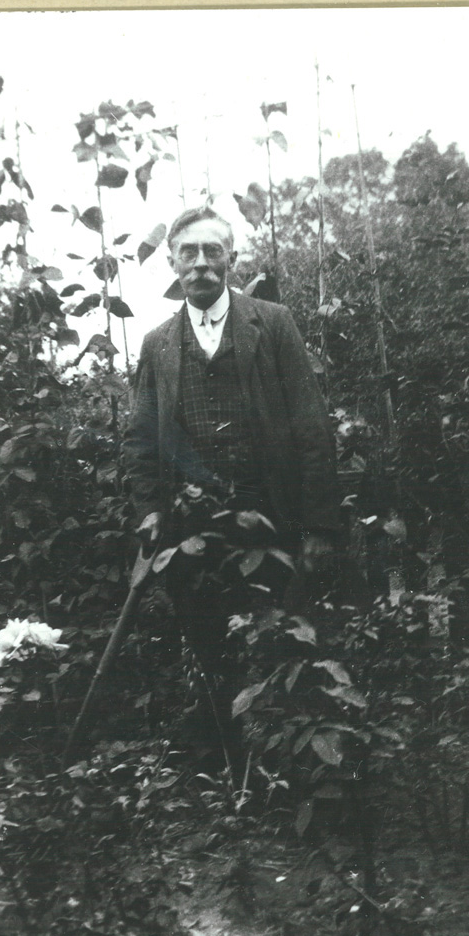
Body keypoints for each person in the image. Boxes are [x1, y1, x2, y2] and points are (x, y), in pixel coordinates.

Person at [121, 206, 343, 750]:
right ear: (172, 263)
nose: (201, 264)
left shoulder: (273, 323)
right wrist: (149, 509)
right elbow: (141, 439)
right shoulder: (157, 344)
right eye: (188, 253)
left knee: (281, 645)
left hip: (275, 520)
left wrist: (317, 524)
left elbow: (312, 428)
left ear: (232, 260)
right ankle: (224, 767)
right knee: (209, 646)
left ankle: (282, 764)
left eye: (212, 252)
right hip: (193, 530)